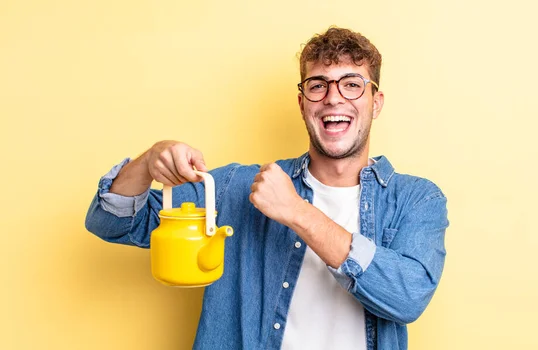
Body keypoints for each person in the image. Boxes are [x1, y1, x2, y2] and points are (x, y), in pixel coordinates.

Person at [85, 26, 449, 350]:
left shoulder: (417, 199)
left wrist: (297, 211)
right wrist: (149, 160)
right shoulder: (235, 188)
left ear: (376, 104)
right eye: (317, 85)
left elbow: (407, 297)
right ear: (302, 102)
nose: (333, 97)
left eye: (352, 84)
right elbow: (111, 220)